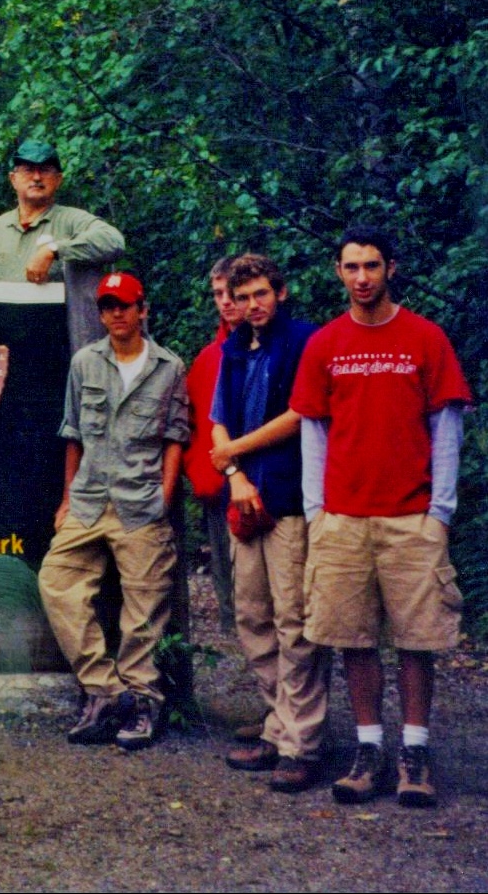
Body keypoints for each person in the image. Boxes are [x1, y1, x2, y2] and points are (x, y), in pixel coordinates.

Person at [291, 227, 471, 808]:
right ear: (337, 272)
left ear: (390, 268)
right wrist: (317, 511)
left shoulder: (425, 338)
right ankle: (368, 749)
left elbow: (447, 425)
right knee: (353, 638)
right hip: (342, 517)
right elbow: (313, 431)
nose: (362, 277)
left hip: (412, 517)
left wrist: (439, 511)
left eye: (371, 266)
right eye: (351, 267)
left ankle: (414, 753)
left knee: (418, 641)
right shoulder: (325, 343)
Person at [38, 272, 189, 751]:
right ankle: (105, 691)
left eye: (125, 305)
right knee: (57, 581)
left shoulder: (168, 367)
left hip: (141, 501)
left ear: (142, 309)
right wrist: (67, 498)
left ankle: (145, 700)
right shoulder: (85, 362)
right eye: (107, 307)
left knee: (143, 609)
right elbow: (73, 434)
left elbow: (176, 438)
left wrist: (164, 496)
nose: (116, 314)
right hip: (88, 499)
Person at [208, 255, 328, 793]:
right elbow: (217, 421)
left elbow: (301, 412)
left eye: (261, 294)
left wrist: (234, 451)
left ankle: (301, 743)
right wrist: (233, 471)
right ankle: (277, 723)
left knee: (294, 621)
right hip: (245, 497)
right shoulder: (234, 349)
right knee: (251, 615)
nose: (252, 305)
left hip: (288, 496)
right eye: (242, 296)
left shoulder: (304, 341)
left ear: (279, 292)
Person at [0, 138, 124, 352]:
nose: (37, 177)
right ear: (13, 179)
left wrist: (55, 250)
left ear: (58, 179)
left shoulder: (72, 221)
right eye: (28, 170)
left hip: (62, 350)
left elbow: (113, 242)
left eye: (46, 170)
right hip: (0, 354)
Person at [185, 256, 243, 636]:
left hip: (270, 479)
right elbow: (193, 424)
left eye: (230, 292)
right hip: (220, 482)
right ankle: (234, 635)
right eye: (217, 294)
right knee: (225, 563)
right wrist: (204, 476)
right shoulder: (208, 358)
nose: (224, 301)